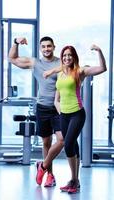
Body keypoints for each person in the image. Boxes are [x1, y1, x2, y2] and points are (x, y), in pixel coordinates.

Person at [43, 44, 107, 193]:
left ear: (74, 57)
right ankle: (75, 182)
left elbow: (102, 68)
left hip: (77, 114)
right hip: (64, 115)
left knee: (69, 144)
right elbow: (56, 99)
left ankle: (73, 180)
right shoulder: (60, 74)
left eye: (69, 55)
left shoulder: (80, 71)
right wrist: (60, 112)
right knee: (74, 146)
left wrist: (99, 51)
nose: (67, 58)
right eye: (64, 55)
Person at [8, 36, 64, 187]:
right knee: (46, 142)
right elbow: (12, 58)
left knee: (62, 139)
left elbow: (73, 70)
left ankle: (43, 166)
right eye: (43, 46)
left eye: (49, 46)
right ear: (40, 48)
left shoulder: (60, 62)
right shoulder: (35, 63)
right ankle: (50, 175)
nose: (46, 49)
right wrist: (15, 43)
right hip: (42, 107)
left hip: (59, 107)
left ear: (54, 47)